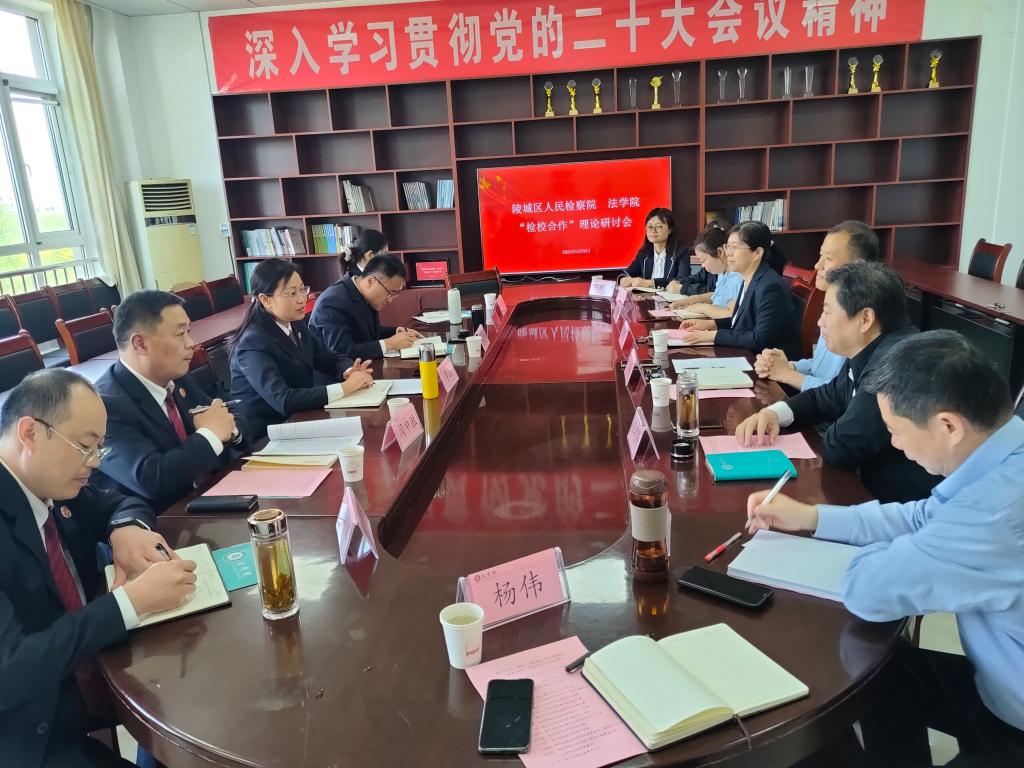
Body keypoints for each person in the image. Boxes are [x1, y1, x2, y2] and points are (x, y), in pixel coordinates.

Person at [745, 330, 1024, 768]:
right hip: (997, 682)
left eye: (896, 431)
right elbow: (919, 517)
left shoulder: (993, 512)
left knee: (847, 678)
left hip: (1014, 725)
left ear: (948, 426)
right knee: (880, 676)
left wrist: (906, 553)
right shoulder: (1006, 451)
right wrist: (812, 517)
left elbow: (869, 591)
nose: (894, 444)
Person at [0, 369, 197, 768]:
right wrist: (129, 603)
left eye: (98, 449)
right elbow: (10, 672)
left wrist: (124, 529)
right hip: (34, 732)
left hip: (93, 676)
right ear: (30, 433)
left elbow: (119, 501)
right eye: (84, 446)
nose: (93, 463)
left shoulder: (49, 483)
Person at [734, 261, 937, 503]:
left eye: (827, 312)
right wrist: (774, 414)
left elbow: (842, 447)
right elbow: (825, 397)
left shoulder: (895, 364)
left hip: (900, 504)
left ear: (865, 319)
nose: (820, 322)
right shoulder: (870, 349)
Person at [94, 291, 246, 512]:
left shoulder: (177, 378)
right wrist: (212, 435)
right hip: (161, 520)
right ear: (140, 344)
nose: (191, 344)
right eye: (180, 334)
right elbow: (151, 478)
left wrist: (229, 431)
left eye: (189, 332)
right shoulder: (104, 406)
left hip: (212, 498)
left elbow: (233, 414)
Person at [230, 259, 375, 441]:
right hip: (265, 436)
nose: (301, 299)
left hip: (300, 419)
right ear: (265, 299)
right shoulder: (252, 342)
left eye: (302, 290)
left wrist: (349, 370)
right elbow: (284, 400)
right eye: (292, 293)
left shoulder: (295, 323)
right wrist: (345, 388)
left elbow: (327, 357)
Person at [754, 220, 878, 392]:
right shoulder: (834, 304)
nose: (817, 265)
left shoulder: (858, 319)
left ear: (858, 266)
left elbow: (841, 394)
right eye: (820, 256)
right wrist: (789, 366)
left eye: (829, 258)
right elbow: (819, 366)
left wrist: (786, 374)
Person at [675, 221, 801, 359]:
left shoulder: (770, 287)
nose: (728, 253)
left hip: (768, 362)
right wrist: (711, 324)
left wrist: (713, 335)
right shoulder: (749, 278)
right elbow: (743, 322)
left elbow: (760, 339)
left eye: (734, 247)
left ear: (757, 253)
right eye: (728, 246)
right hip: (749, 354)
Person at [308, 253, 422, 361]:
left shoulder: (363, 294)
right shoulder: (332, 302)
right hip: (337, 374)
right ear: (370, 281)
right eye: (390, 293)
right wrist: (390, 344)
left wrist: (396, 332)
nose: (390, 299)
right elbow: (342, 351)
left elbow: (365, 332)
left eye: (395, 294)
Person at [668, 220, 741, 319]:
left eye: (703, 260)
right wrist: (691, 300)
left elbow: (730, 314)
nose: (702, 266)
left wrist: (702, 308)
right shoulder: (723, 273)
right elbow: (717, 296)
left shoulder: (737, 277)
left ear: (720, 252)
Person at [618, 207, 689, 291]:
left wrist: (650, 283)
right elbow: (626, 273)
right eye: (649, 226)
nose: (653, 230)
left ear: (670, 230)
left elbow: (683, 280)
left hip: (670, 298)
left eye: (658, 226)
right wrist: (623, 279)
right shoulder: (644, 254)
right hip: (647, 298)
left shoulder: (681, 252)